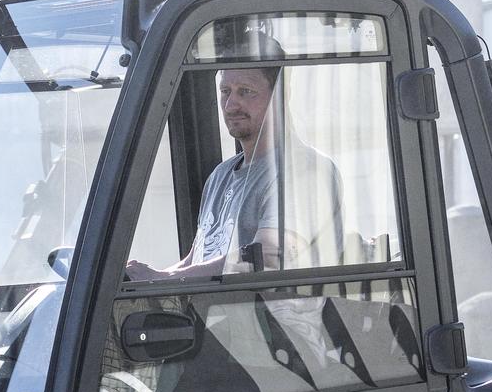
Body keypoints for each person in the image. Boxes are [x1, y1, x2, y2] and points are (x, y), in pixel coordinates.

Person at [130, 65, 345, 279]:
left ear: (281, 95)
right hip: (215, 310)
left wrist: (166, 279)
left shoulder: (305, 171)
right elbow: (198, 259)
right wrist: (148, 281)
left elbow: (268, 257)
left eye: (246, 91)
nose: (231, 105)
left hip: (272, 312)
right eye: (225, 92)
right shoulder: (220, 176)